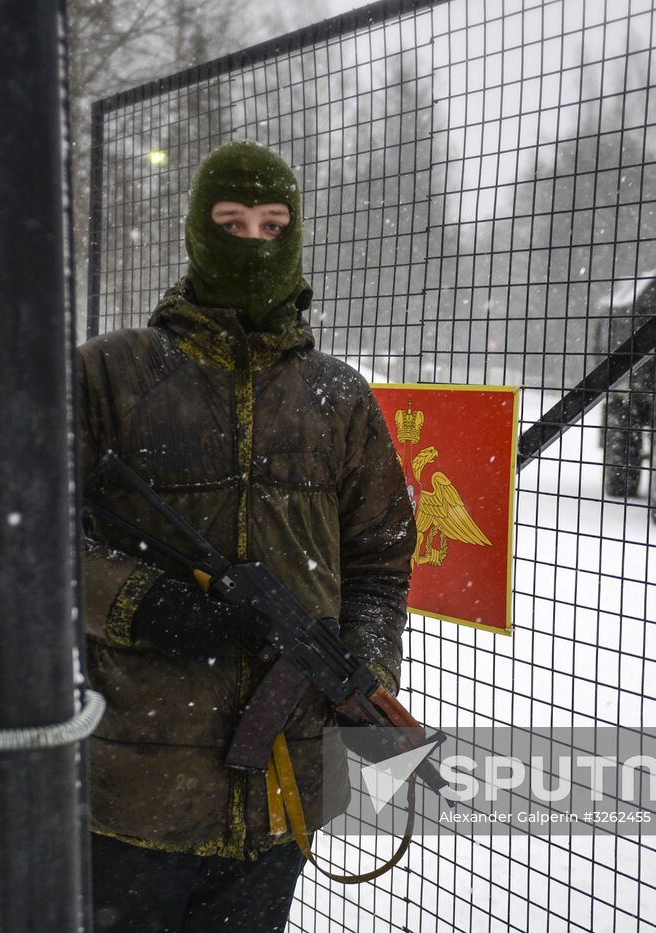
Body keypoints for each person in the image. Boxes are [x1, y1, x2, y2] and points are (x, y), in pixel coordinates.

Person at [79, 139, 415, 932]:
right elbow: (11, 542)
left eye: (272, 224)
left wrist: (357, 665)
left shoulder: (339, 396)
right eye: (230, 222)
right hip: (134, 785)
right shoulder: (112, 374)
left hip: (278, 794)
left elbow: (379, 557)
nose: (253, 243)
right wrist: (143, 605)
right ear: (196, 232)